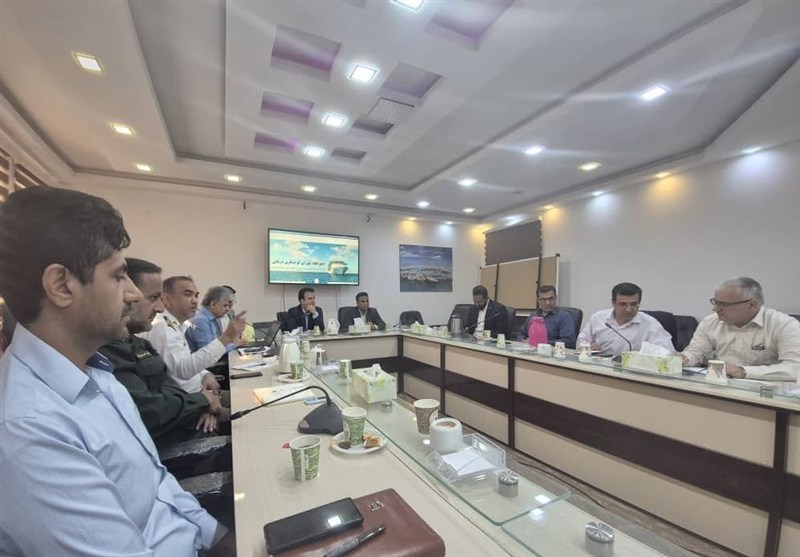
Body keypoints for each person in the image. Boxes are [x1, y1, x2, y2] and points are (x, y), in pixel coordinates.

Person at [0, 187, 234, 556]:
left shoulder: (98, 374)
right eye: (118, 276)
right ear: (61, 286)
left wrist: (221, 539)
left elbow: (159, 484)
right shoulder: (28, 430)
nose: (133, 294)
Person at [100, 258, 229, 449]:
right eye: (153, 298)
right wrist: (202, 401)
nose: (160, 307)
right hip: (179, 439)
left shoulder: (139, 343)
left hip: (190, 414)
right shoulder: (108, 351)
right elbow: (149, 410)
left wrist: (202, 398)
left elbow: (171, 385)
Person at [141, 276, 245, 399]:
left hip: (200, 391)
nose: (195, 301)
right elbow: (183, 370)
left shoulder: (176, 323)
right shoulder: (162, 327)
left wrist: (204, 374)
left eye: (196, 295)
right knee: (247, 398)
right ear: (166, 299)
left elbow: (184, 359)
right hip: (190, 399)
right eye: (188, 294)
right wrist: (226, 338)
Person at [680, 277, 800, 381]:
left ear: (751, 305)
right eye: (715, 302)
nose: (716, 309)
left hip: (765, 390)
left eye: (723, 304)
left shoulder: (784, 325)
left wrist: (742, 371)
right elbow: (696, 352)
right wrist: (686, 358)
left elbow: (795, 367)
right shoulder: (710, 321)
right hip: (719, 385)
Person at [577, 282, 674, 357]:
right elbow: (581, 342)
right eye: (623, 304)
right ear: (613, 303)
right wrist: (588, 347)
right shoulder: (598, 318)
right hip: (599, 365)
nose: (628, 309)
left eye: (633, 304)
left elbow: (667, 351)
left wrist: (646, 353)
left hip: (634, 369)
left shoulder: (650, 323)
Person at [186, 286, 239, 352]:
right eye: (225, 305)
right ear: (213, 304)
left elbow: (217, 346)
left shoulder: (211, 318)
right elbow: (209, 352)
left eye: (229, 306)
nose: (228, 309)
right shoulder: (201, 320)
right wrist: (235, 344)